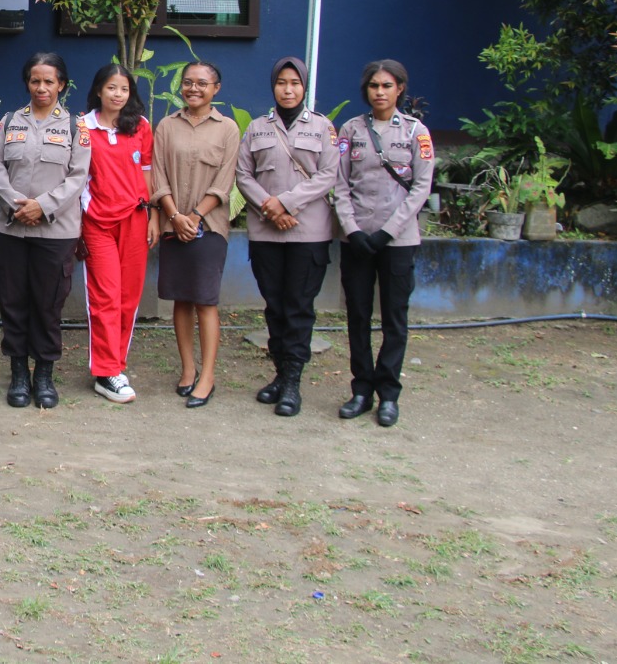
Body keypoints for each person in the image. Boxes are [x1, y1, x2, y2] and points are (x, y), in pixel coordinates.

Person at [235, 56, 339, 417]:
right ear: (273, 86)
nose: (288, 89)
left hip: (308, 233)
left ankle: (293, 382)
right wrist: (270, 207)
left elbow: (328, 174)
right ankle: (280, 375)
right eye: (282, 82)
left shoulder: (323, 128)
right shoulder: (257, 128)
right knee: (275, 306)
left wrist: (286, 203)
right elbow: (243, 174)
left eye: (295, 83)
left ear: (304, 87)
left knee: (298, 307)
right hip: (266, 232)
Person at [333, 59, 435, 428]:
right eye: (374, 85)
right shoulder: (351, 130)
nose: (379, 92)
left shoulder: (415, 132)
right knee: (358, 315)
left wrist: (387, 232)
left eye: (387, 86)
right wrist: (353, 230)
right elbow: (339, 183)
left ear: (400, 89)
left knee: (394, 318)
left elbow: (421, 188)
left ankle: (388, 394)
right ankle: (361, 389)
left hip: (398, 241)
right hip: (357, 240)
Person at [0, 52, 90, 409]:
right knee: (13, 301)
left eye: (49, 81)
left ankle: (43, 374)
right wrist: (18, 205)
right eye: (35, 81)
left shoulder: (75, 127)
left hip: (56, 231)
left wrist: (42, 207)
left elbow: (78, 176)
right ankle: (18, 373)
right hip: (12, 228)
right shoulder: (9, 121)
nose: (41, 87)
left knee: (48, 304)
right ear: (27, 83)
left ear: (61, 84)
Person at [151, 61, 241, 409]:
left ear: (216, 89)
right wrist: (175, 216)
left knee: (205, 300)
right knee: (181, 299)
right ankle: (188, 369)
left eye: (202, 83)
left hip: (210, 226)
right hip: (173, 224)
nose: (193, 89)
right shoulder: (167, 126)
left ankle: (208, 377)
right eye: (188, 82)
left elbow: (225, 180)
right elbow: (158, 175)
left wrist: (195, 216)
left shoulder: (227, 128)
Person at [76, 63, 154, 404]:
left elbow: (147, 172)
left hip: (135, 219)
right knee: (105, 296)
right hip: (97, 223)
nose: (118, 94)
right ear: (98, 90)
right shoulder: (82, 127)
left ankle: (115, 367)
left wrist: (152, 214)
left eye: (124, 89)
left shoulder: (141, 126)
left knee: (128, 298)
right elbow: (77, 178)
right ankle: (107, 371)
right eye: (111, 87)